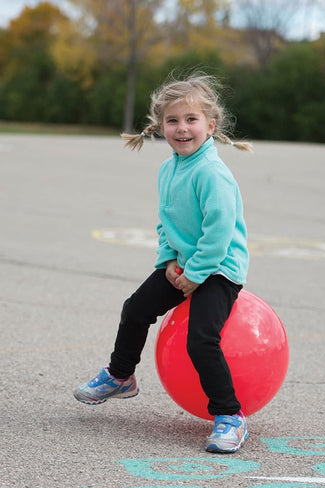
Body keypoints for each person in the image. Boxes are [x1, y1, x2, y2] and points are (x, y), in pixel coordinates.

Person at [73, 73, 252, 454]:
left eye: (191, 119)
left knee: (200, 340)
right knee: (135, 310)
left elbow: (219, 233)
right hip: (184, 265)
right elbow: (166, 221)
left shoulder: (212, 172)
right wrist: (168, 261)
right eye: (173, 120)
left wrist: (197, 274)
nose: (182, 128)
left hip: (219, 270)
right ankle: (121, 376)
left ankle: (230, 416)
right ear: (160, 127)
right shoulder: (168, 169)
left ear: (210, 125)